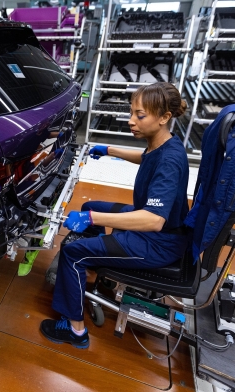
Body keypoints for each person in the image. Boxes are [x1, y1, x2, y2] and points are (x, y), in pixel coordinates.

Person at [40, 82, 190, 349]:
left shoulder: (170, 162)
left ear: (164, 117)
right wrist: (109, 150)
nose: (131, 121)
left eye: (140, 115)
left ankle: (75, 330)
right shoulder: (165, 143)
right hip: (162, 229)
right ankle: (92, 266)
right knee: (91, 206)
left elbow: (153, 220)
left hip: (158, 242)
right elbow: (147, 158)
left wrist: (92, 220)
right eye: (131, 113)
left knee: (73, 253)